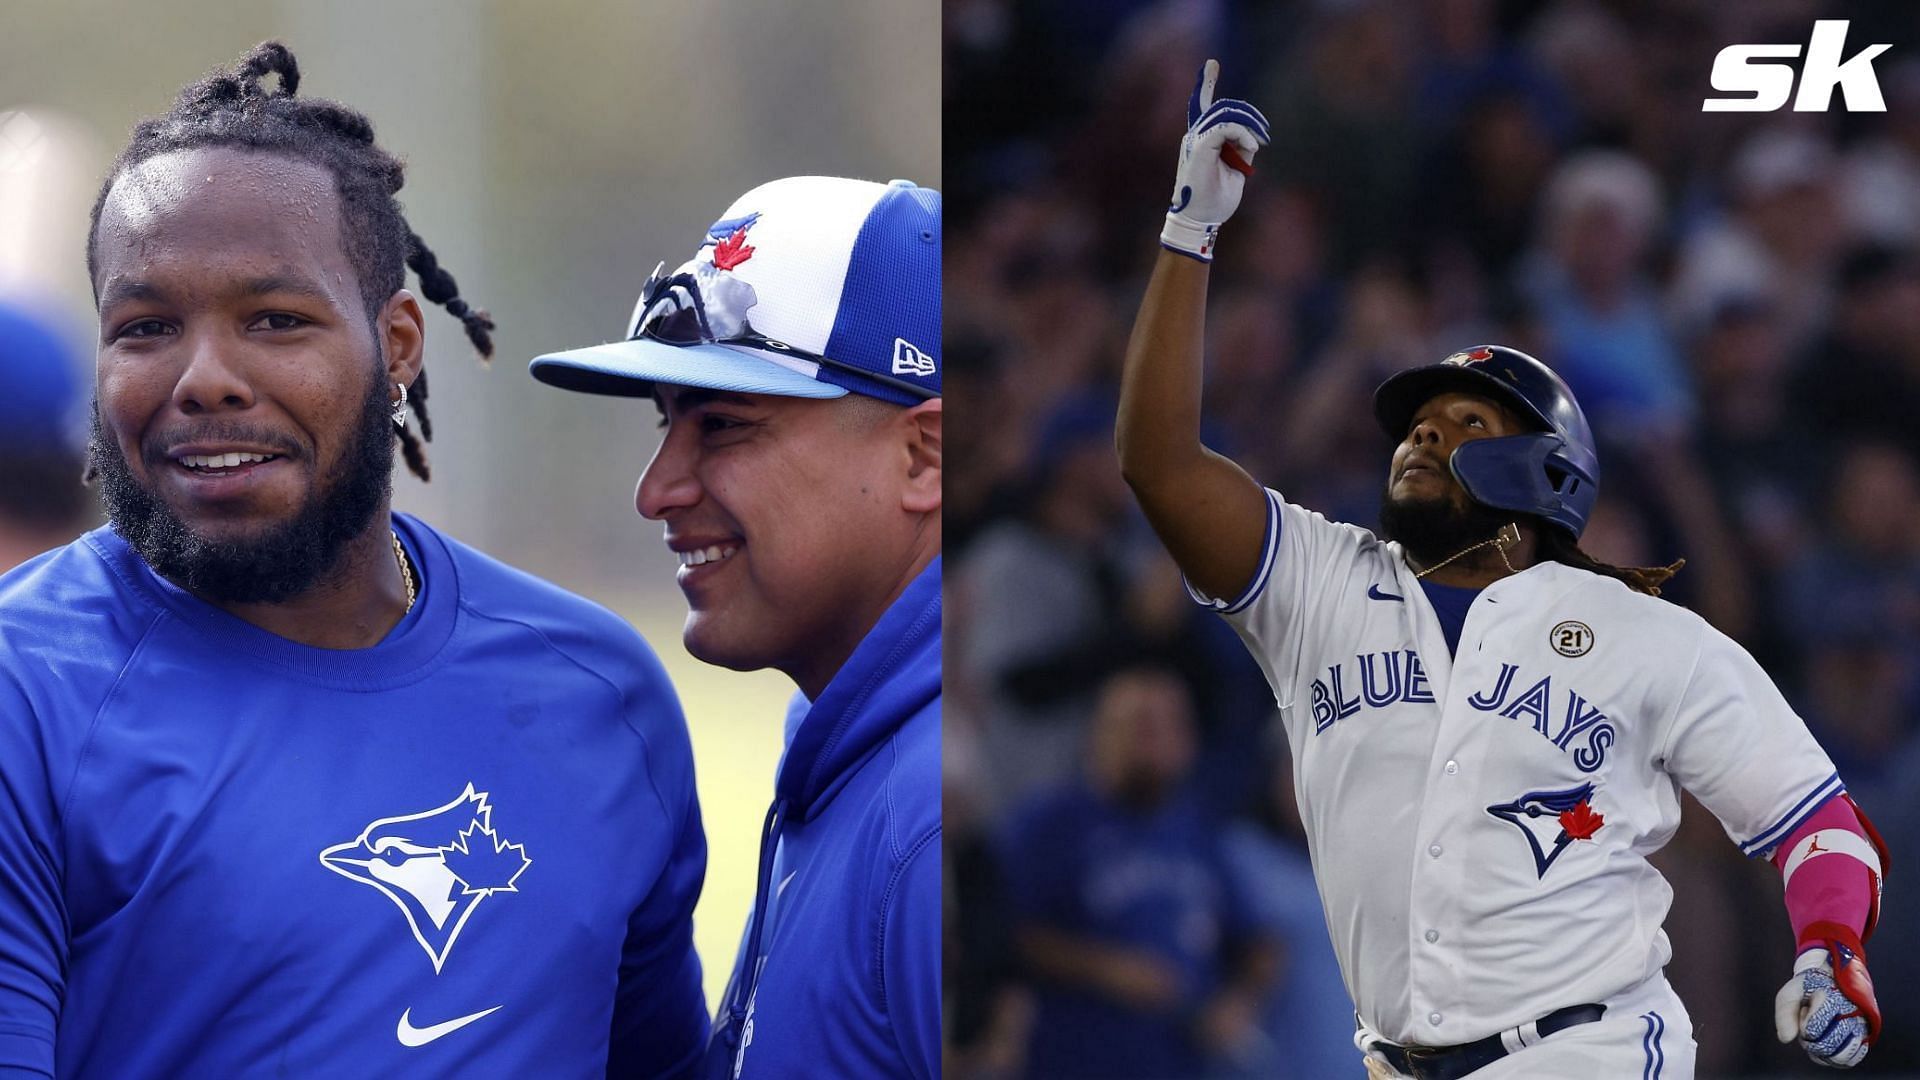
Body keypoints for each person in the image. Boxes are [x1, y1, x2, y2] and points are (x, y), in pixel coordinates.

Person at [1115, 60, 1888, 1077]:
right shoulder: (1320, 582)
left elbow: (1816, 821)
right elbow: (1158, 464)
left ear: (1547, 469)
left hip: (1589, 1049)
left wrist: (1832, 948)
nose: (1419, 441)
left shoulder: (1645, 633)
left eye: (1461, 423)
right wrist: (1190, 233)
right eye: (1414, 427)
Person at [0, 44, 708, 1078]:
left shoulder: (601, 694)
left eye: (274, 320)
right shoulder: (25, 690)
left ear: (400, 345)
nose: (204, 379)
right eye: (146, 327)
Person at [529, 174, 941, 1079]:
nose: (656, 491)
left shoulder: (927, 819)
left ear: (924, 458)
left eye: (723, 425)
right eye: (667, 422)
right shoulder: (851, 754)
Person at [1000, 665, 1277, 1079]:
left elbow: (1261, 943)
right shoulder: (1049, 822)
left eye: (1172, 725)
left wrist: (1236, 1003)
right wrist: (1108, 969)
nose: (1158, 741)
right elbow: (1004, 936)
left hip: (1179, 1062)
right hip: (1074, 1060)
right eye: (1141, 725)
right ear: (1098, 734)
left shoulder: (1197, 828)